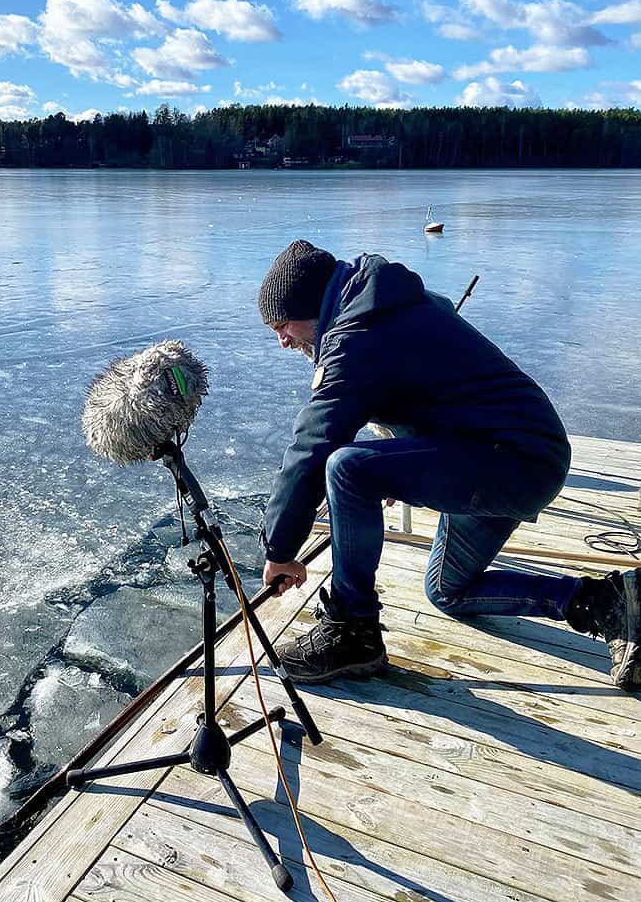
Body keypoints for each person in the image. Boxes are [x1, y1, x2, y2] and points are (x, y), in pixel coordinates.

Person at [257, 239, 639, 690]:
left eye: (283, 325)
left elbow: (313, 447)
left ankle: (352, 632)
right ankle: (607, 602)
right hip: (512, 450)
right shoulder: (383, 304)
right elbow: (435, 391)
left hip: (513, 460)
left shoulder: (356, 336)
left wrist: (280, 551)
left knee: (348, 467)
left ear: (310, 306)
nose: (283, 341)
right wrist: (407, 458)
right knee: (448, 590)